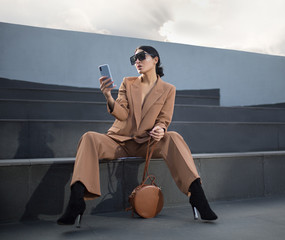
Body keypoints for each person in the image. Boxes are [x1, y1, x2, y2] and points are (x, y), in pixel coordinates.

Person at [57, 46, 217, 227]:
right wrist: (108, 96)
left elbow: (164, 119)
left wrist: (160, 129)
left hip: (147, 143)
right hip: (119, 141)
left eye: (141, 56)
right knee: (89, 137)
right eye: (134, 59)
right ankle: (76, 201)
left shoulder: (168, 89)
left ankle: (198, 196)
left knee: (173, 137)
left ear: (155, 59)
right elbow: (123, 114)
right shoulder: (128, 82)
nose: (137, 61)